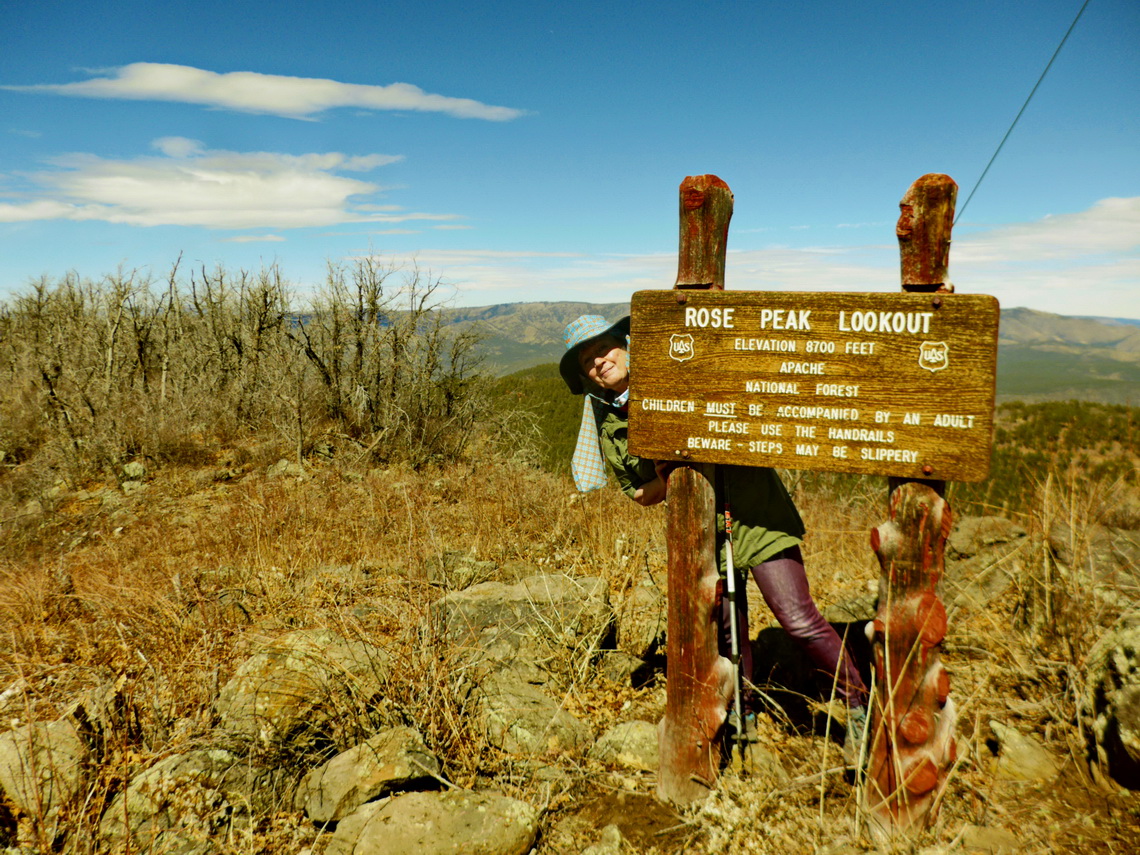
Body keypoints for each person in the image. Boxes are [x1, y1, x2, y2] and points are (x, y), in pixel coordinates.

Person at [560, 314, 869, 760]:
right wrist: (667, 478)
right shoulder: (607, 420)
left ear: (626, 344)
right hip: (702, 526)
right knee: (728, 626)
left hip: (755, 513)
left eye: (604, 349)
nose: (599, 363)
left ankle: (858, 701)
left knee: (797, 618)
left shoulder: (680, 372)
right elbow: (638, 493)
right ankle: (742, 710)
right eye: (588, 362)